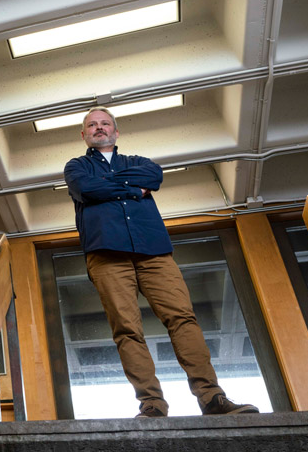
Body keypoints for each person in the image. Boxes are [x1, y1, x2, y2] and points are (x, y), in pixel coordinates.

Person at [63, 107, 259, 418]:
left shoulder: (139, 163)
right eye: (92, 125)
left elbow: (154, 176)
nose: (99, 128)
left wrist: (111, 187)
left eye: (105, 124)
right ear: (84, 134)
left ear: (116, 131)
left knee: (183, 318)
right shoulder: (76, 167)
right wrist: (131, 189)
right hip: (106, 254)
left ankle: (211, 398)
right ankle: (152, 403)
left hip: (153, 250)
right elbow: (86, 189)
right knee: (127, 329)